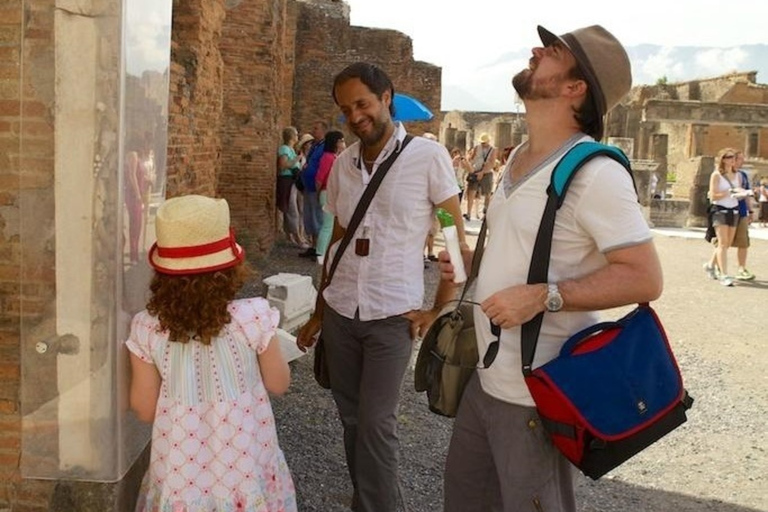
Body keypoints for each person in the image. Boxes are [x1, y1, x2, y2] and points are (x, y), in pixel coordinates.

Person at [437, 25, 662, 512]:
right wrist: (468, 262)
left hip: (539, 393)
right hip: (487, 379)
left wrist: (544, 296)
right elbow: (523, 250)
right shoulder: (518, 157)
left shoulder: (597, 173)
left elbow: (644, 277)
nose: (536, 50)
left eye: (553, 51)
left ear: (574, 87)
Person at [296, 62, 465, 512]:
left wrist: (438, 309)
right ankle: (367, 501)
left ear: (386, 97)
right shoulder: (344, 166)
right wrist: (317, 310)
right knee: (352, 419)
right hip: (341, 309)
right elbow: (336, 239)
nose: (355, 116)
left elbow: (453, 236)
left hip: (394, 314)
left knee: (376, 423)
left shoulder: (428, 158)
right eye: (346, 109)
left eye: (363, 104)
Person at [126, 194, 296, 512]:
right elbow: (279, 383)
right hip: (245, 469)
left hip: (179, 477)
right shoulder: (254, 317)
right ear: (230, 269)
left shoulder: (146, 328)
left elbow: (144, 408)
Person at [703, 150, 756, 283]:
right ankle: (724, 275)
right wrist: (728, 192)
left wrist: (744, 194)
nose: (733, 159)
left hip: (735, 210)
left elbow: (738, 191)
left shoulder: (738, 175)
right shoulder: (716, 175)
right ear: (723, 159)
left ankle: (710, 265)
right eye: (730, 157)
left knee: (727, 243)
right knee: (722, 243)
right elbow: (713, 195)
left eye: (734, 157)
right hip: (720, 210)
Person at [314, 129, 346, 264]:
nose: (344, 143)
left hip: (331, 193)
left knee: (330, 225)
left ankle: (324, 251)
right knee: (327, 225)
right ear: (336, 142)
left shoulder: (334, 157)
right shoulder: (328, 157)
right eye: (342, 140)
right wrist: (318, 193)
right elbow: (320, 178)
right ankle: (320, 253)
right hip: (326, 192)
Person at [299, 121, 329, 258]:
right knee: (309, 217)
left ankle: (318, 247)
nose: (313, 130)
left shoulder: (324, 147)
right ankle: (312, 244)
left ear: (323, 131)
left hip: (316, 188)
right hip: (308, 186)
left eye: (316, 128)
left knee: (317, 217)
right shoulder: (314, 146)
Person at [277, 126, 307, 248]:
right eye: (296, 134)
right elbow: (283, 165)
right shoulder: (284, 149)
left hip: (292, 181)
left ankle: (291, 235)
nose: (297, 137)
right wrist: (297, 159)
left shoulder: (291, 149)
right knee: (292, 209)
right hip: (286, 180)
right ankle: (298, 237)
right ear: (291, 136)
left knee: (292, 208)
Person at [464, 132, 497, 220]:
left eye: (484, 142)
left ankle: (485, 213)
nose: (483, 144)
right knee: (471, 192)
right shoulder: (476, 148)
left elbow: (492, 163)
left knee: (487, 193)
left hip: (486, 173)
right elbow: (471, 159)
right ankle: (468, 213)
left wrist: (482, 172)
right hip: (475, 171)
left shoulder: (492, 150)